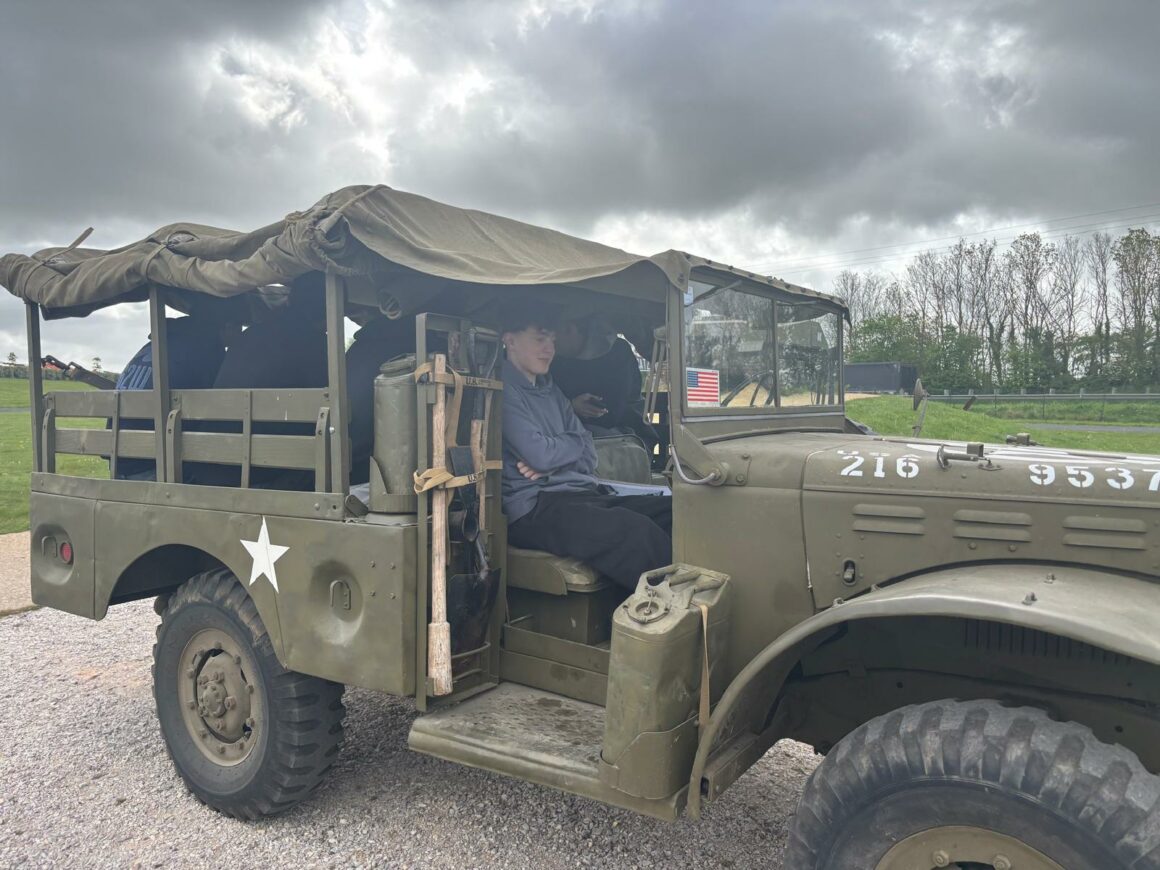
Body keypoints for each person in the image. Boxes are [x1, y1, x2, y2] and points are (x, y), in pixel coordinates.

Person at [499, 302, 671, 590]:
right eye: (540, 339)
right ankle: (659, 619)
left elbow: (587, 453)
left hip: (577, 492)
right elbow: (541, 455)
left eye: (552, 341)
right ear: (510, 340)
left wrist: (554, 460)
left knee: (671, 513)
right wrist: (561, 452)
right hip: (534, 508)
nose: (549, 349)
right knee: (634, 533)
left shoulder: (550, 389)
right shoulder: (503, 389)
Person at [550, 313, 659, 453]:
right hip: (564, 430)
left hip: (624, 433)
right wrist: (571, 406)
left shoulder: (617, 352)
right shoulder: (553, 359)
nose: (549, 343)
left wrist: (576, 410)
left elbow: (612, 413)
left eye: (552, 336)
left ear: (569, 329)